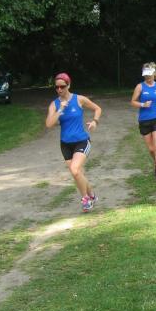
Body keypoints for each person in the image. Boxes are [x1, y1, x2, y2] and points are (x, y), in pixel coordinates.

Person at [45, 72, 102, 212]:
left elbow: (97, 108)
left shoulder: (79, 99)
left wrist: (95, 121)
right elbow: (49, 124)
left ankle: (85, 199)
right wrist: (60, 109)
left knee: (75, 170)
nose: (59, 89)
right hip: (65, 144)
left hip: (82, 141)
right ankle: (92, 195)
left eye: (62, 86)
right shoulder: (54, 104)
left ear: (68, 85)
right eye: (57, 87)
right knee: (78, 173)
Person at [131, 62, 156, 181]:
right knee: (151, 149)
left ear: (154, 74)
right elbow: (133, 102)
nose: (148, 77)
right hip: (144, 121)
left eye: (150, 74)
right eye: (146, 75)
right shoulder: (140, 87)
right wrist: (142, 104)